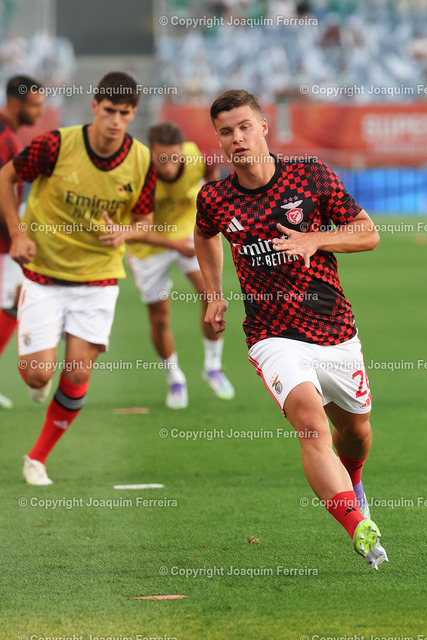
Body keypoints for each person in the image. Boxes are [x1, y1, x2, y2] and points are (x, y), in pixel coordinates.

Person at [194, 89, 388, 570]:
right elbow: (203, 233)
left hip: (334, 329)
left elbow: (368, 233)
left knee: (355, 433)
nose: (237, 138)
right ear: (218, 139)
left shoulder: (310, 174)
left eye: (244, 126)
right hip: (272, 335)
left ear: (263, 127)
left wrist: (315, 238)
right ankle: (357, 526)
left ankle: (354, 481)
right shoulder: (215, 197)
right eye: (226, 131)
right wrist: (214, 292)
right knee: (310, 423)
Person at [0, 72, 157, 485]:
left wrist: (126, 233)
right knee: (38, 375)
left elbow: (145, 221)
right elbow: (6, 176)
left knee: (77, 373)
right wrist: (17, 233)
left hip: (98, 280)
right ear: (94, 106)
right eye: (109, 110)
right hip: (45, 274)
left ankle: (36, 458)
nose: (116, 120)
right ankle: (36, 378)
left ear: (133, 114)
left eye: (125, 113)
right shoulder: (56, 145)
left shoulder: (142, 160)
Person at [127, 122, 234, 409]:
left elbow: (212, 177)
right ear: (151, 153)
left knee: (211, 296)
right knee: (160, 318)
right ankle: (175, 379)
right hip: (147, 247)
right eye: (162, 159)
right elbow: (136, 228)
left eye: (175, 157)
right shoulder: (136, 174)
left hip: (187, 233)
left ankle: (213, 367)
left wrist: (210, 207)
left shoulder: (198, 157)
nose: (169, 165)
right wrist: (175, 245)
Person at [0, 75, 44, 409]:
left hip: (7, 237)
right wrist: (15, 234)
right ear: (16, 103)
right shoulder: (3, 137)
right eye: (35, 105)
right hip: (4, 240)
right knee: (14, 303)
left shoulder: (9, 134)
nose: (40, 112)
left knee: (14, 303)